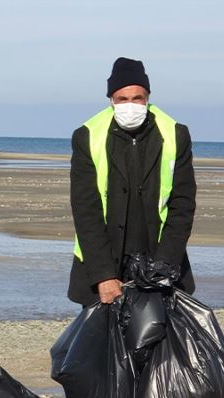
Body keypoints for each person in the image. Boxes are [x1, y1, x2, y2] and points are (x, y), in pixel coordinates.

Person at [68, 57, 197, 306]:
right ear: (111, 100)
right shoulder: (87, 135)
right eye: (122, 99)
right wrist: (104, 275)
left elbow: (183, 205)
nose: (130, 105)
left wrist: (164, 266)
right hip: (103, 267)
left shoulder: (175, 133)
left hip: (161, 262)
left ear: (147, 98)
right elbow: (86, 211)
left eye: (137, 98)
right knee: (101, 344)